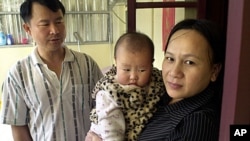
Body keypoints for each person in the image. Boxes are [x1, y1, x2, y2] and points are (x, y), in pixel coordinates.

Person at [86, 19, 225, 141]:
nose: (174, 72)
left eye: (189, 62)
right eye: (170, 58)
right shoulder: (157, 89)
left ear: (214, 71)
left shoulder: (197, 122)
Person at [0, 0, 103, 141]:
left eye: (59, 21)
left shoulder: (87, 64)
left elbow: (104, 111)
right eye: (45, 24)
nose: (54, 30)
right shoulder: (18, 75)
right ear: (28, 29)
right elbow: (19, 129)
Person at [88, 32, 166, 141]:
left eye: (142, 70)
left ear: (151, 64)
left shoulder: (157, 82)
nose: (133, 76)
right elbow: (111, 131)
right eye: (126, 70)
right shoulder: (109, 92)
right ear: (115, 62)